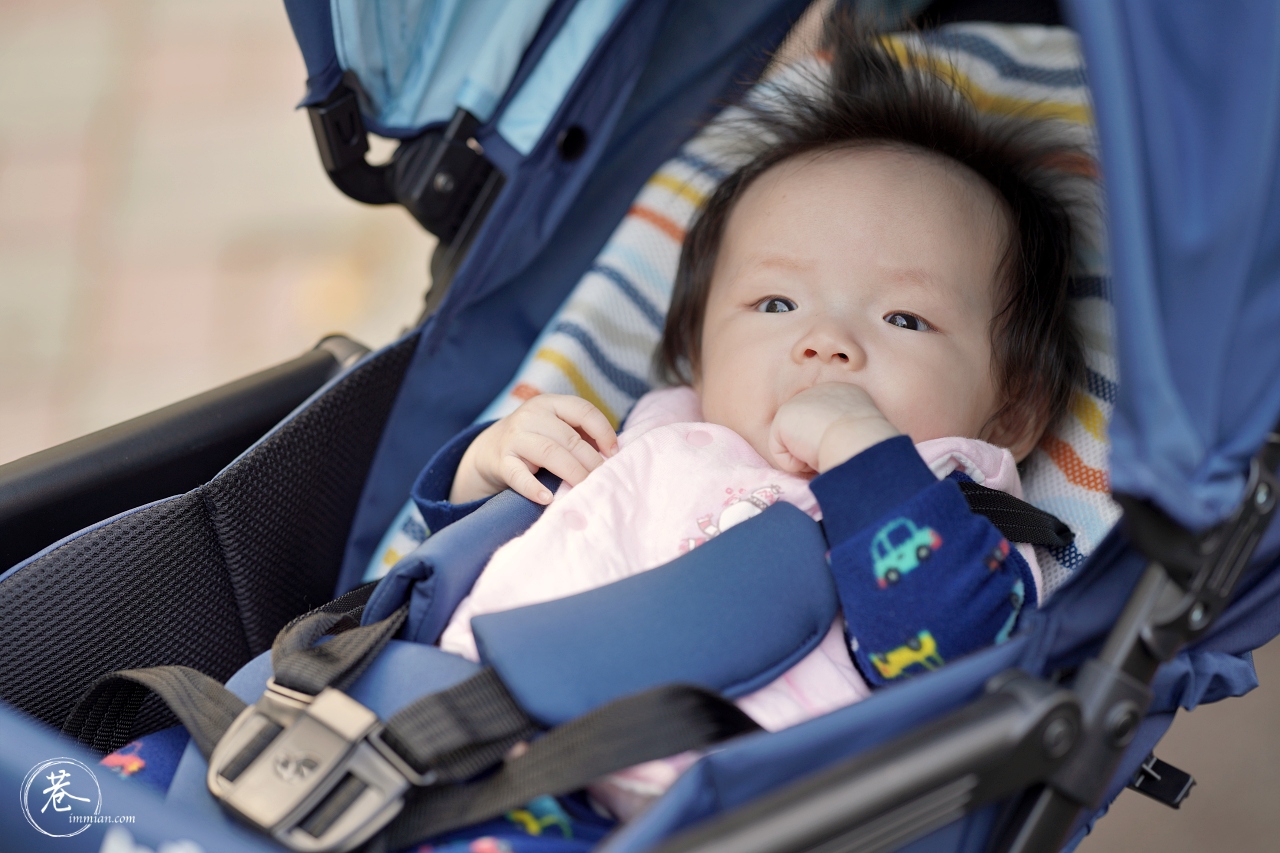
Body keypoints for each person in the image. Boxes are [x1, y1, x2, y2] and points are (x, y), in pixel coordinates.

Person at [410, 11, 1085, 827]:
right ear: (698, 351)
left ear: (1010, 410)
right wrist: (490, 464)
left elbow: (961, 652)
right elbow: (470, 555)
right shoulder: (660, 435)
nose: (825, 342)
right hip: (446, 741)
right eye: (776, 302)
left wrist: (868, 462)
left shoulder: (956, 513)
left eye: (906, 318)